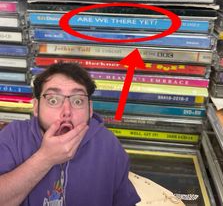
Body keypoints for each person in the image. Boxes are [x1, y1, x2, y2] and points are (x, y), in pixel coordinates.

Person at [0, 62, 140, 206]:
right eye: (53, 100)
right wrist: (45, 158)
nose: (67, 111)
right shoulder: (13, 136)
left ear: (90, 109)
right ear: (36, 107)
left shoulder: (108, 145)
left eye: (78, 101)